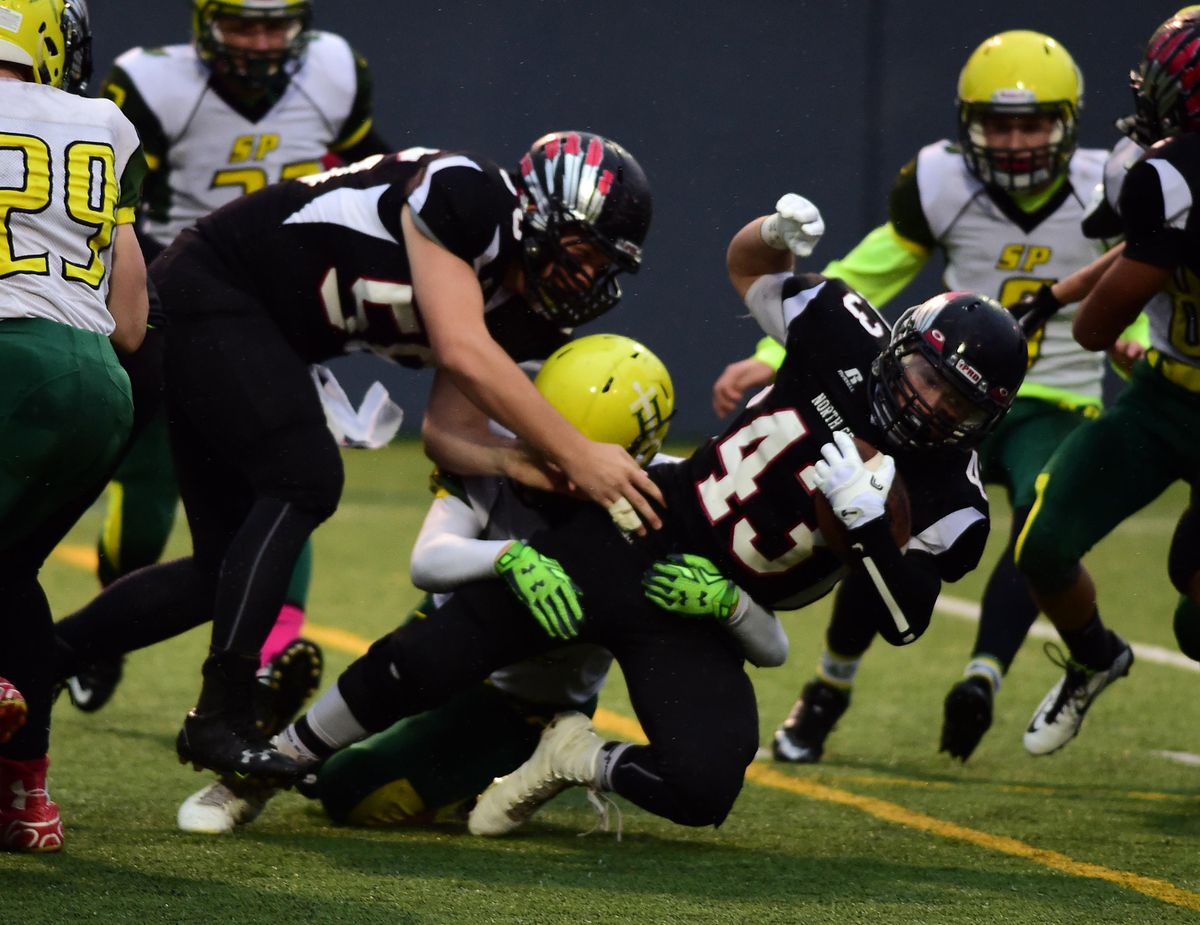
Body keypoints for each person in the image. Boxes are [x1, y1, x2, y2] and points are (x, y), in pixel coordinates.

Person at [247, 194, 1025, 837]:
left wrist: (862, 530)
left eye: (955, 402)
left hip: (707, 611)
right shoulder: (840, 327)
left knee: (706, 784)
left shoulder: (951, 498)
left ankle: (571, 754)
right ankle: (274, 756)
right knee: (431, 653)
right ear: (902, 346)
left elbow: (904, 620)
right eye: (928, 375)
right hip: (648, 523)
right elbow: (749, 267)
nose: (929, 401)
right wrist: (771, 232)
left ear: (979, 421)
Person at [50, 130, 657, 784]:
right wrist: (578, 452)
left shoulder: (525, 309)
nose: (588, 276)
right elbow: (459, 348)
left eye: (604, 266)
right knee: (306, 480)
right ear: (537, 213)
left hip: (254, 330)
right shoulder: (466, 195)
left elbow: (447, 435)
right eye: (580, 252)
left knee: (219, 570)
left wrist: (518, 462)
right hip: (211, 284)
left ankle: (40, 657)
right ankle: (224, 713)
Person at [176, 334, 789, 833]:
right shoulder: (502, 462)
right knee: (416, 653)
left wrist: (730, 602)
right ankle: (272, 762)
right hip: (462, 617)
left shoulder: (673, 493)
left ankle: (506, 771)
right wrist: (510, 557)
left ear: (638, 455)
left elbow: (775, 646)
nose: (560, 462)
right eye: (550, 437)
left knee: (351, 795)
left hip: (524, 699)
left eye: (583, 452)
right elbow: (431, 560)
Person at [717, 31, 1116, 764]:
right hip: (935, 400)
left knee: (1040, 524)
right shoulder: (942, 182)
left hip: (1055, 399)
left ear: (1068, 124)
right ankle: (830, 686)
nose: (1019, 141)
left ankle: (982, 675)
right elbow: (869, 268)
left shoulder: (1106, 190)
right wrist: (774, 349)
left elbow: (1145, 271)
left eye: (1033, 124)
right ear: (969, 127)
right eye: (1000, 125)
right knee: (875, 510)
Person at [64, 0, 389, 714]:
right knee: (149, 482)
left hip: (279, 299)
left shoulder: (335, 72)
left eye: (276, 24)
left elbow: (371, 173)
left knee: (286, 470)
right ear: (206, 23)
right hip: (177, 284)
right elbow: (112, 196)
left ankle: (271, 655)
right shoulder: (151, 85)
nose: (263, 41)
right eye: (244, 24)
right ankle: (106, 628)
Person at [1015, 8, 1200, 755]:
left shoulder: (1176, 174)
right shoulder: (1173, 176)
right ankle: (1096, 658)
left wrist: (1081, 317)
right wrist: (1051, 296)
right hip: (1166, 397)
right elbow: (1140, 252)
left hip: (1161, 385)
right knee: (1045, 540)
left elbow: (1099, 326)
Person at [0, 0, 148, 852]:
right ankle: (27, 800)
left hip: (7, 361)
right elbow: (131, 321)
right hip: (100, 386)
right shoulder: (106, 123)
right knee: (11, 576)